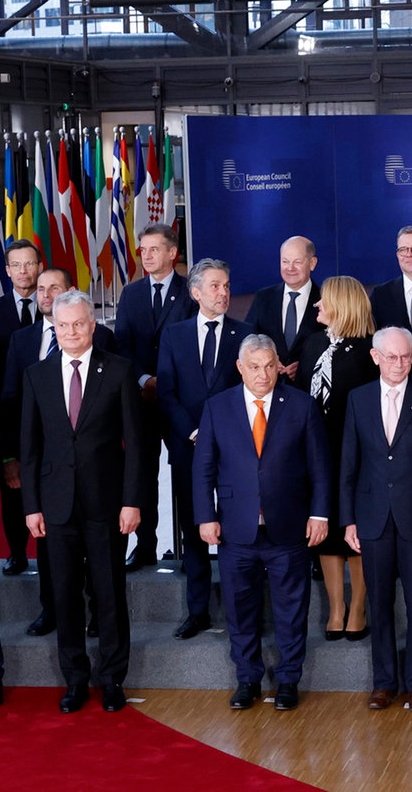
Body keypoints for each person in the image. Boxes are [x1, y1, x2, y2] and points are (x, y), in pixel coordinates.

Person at [193, 334, 332, 710]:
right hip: (236, 530)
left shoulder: (301, 406)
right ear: (240, 368)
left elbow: (320, 468)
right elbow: (203, 468)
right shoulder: (217, 407)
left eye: (269, 365)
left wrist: (319, 514)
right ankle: (248, 679)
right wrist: (206, 517)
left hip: (288, 528)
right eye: (254, 366)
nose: (262, 373)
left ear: (278, 366)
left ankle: (288, 680)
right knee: (240, 610)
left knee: (291, 609)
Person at [21, 290, 144, 713]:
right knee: (65, 594)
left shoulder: (120, 372)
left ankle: (111, 679)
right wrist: (31, 506)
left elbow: (136, 445)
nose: (71, 332)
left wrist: (132, 501)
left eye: (79, 324)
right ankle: (75, 679)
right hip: (55, 506)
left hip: (107, 503)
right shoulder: (36, 375)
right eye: (63, 325)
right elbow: (30, 448)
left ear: (93, 325)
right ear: (54, 327)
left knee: (109, 593)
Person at [340, 326, 412, 713]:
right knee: (380, 603)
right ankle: (384, 682)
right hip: (371, 518)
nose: (399, 364)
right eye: (391, 357)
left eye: (406, 356)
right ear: (375, 358)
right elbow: (349, 464)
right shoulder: (358, 399)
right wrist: (348, 520)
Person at [1, 268, 116, 637]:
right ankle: (50, 611)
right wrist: (10, 459)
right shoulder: (23, 344)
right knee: (56, 567)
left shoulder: (106, 344)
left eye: (54, 287)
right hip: (53, 485)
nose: (46, 294)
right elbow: (12, 407)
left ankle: (99, 617)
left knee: (104, 571)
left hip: (98, 485)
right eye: (41, 288)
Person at [157, 258, 253, 640]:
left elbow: (250, 392)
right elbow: (166, 392)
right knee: (195, 529)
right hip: (188, 447)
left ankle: (241, 611)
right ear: (196, 293)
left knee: (237, 529)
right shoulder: (174, 334)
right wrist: (194, 432)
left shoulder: (245, 333)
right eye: (215, 286)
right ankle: (197, 611)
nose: (224, 293)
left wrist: (220, 434)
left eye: (227, 285)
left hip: (237, 451)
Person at [294, 276, 378, 642]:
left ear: (342, 305)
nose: (316, 306)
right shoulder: (312, 344)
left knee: (353, 533)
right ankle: (336, 608)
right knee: (325, 534)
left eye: (322, 301)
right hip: (315, 454)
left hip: (357, 456)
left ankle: (358, 607)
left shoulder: (369, 351)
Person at [114, 223, 195, 572]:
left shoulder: (191, 292)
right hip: (141, 403)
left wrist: (168, 383)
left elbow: (193, 347)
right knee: (142, 474)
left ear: (172, 253)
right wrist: (145, 380)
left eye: (153, 249)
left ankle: (189, 550)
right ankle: (145, 546)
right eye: (142, 249)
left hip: (180, 402)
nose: (146, 256)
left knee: (186, 476)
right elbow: (122, 347)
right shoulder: (130, 294)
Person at [0, 239, 43, 576]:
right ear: (8, 270)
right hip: (8, 413)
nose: (24, 271)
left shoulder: (55, 305)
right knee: (13, 487)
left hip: (51, 413)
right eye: (17, 265)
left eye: (30, 264)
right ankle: (16, 552)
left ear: (39, 267)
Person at [245, 235, 322, 383]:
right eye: (285, 261)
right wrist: (269, 361)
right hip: (270, 386)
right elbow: (249, 338)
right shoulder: (263, 297)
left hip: (309, 390)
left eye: (297, 262)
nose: (290, 268)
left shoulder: (326, 300)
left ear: (312, 263)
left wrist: (307, 365)